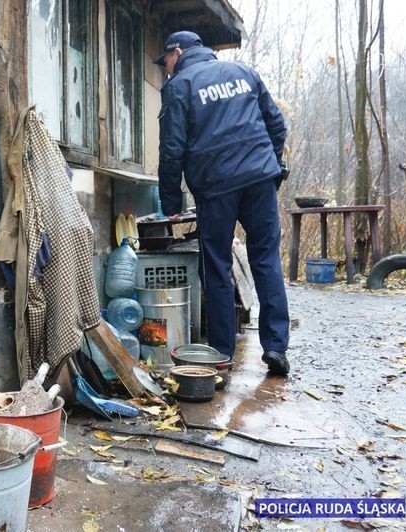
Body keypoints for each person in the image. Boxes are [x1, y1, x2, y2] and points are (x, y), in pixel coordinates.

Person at [153, 30, 290, 376]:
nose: (166, 70)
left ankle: (222, 354)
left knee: (215, 266)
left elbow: (171, 152)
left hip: (216, 188)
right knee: (266, 259)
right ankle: (276, 348)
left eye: (166, 62)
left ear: (178, 52)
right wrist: (271, 166)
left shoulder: (179, 86)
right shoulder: (244, 73)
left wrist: (170, 202)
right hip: (259, 178)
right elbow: (276, 124)